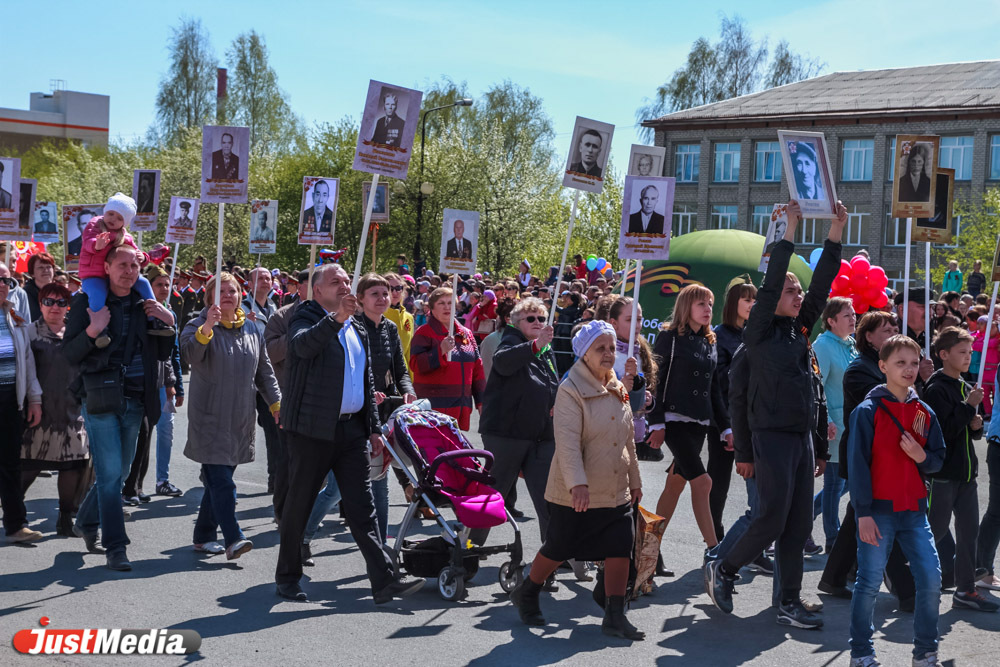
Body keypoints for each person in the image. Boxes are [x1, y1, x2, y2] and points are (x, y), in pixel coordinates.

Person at [705, 199, 847, 629]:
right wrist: (790, 230)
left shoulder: (799, 330)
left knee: (799, 522)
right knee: (770, 516)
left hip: (801, 437)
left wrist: (835, 231)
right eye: (790, 291)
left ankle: (787, 600)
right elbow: (769, 289)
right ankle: (724, 567)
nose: (798, 295)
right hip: (770, 436)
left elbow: (821, 287)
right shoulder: (760, 330)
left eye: (796, 291)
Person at [275, 263, 424, 603]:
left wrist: (372, 427)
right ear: (317, 291)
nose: (343, 285)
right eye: (335, 281)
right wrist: (335, 319)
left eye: (346, 280)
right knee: (299, 504)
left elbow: (365, 379)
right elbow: (301, 348)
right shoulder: (306, 316)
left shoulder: (356, 323)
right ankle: (287, 576)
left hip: (352, 430)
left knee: (362, 506)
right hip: (311, 430)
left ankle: (384, 580)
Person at [509, 320, 643, 640]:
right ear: (584, 354)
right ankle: (527, 591)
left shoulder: (618, 388)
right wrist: (577, 484)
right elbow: (566, 442)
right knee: (559, 548)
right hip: (575, 490)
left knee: (621, 546)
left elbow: (628, 441)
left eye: (612, 348)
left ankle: (613, 615)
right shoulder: (570, 390)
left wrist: (635, 480)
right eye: (601, 348)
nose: (609, 354)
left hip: (615, 489)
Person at [65, 245, 175, 570]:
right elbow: (68, 354)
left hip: (137, 398)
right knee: (111, 475)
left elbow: (164, 351)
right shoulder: (87, 302)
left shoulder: (147, 304)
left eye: (135, 265)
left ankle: (86, 521)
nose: (129, 271)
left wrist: (169, 320)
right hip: (99, 397)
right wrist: (93, 330)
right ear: (108, 267)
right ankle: (116, 546)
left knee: (121, 473)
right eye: (122, 265)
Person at [846, 334, 946, 667]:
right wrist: (862, 513)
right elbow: (857, 466)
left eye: (914, 363)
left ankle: (926, 652)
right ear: (883, 366)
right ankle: (861, 652)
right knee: (870, 583)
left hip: (915, 512)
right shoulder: (867, 411)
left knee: (931, 579)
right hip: (878, 511)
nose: (908, 369)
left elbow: (938, 458)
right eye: (900, 363)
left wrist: (922, 457)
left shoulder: (924, 411)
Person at [819, 311, 918, 608]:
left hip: (894, 453)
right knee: (883, 511)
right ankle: (907, 589)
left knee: (858, 515)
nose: (892, 333)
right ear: (869, 337)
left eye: (895, 328)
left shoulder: (897, 368)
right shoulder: (860, 370)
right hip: (868, 453)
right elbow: (882, 408)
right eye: (885, 330)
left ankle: (834, 577)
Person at [181, 272, 279, 560]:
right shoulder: (196, 325)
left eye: (233, 290)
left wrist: (276, 405)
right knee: (223, 482)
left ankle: (203, 535)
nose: (227, 295)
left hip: (240, 418)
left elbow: (265, 372)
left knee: (217, 482)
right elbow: (190, 355)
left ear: (240, 295)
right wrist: (208, 326)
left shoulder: (251, 329)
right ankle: (234, 537)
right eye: (220, 291)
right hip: (209, 417)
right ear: (208, 297)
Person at [472, 298, 558, 553]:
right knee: (493, 495)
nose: (537, 323)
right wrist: (535, 345)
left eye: (541, 318)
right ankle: (468, 548)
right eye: (531, 319)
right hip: (506, 433)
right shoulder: (510, 340)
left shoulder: (545, 347)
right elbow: (503, 363)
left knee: (549, 499)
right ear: (515, 322)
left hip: (541, 434)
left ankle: (553, 555)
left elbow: (551, 381)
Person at [924, 326, 999, 611]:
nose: (968, 357)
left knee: (969, 533)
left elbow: (967, 429)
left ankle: (965, 590)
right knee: (935, 530)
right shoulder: (936, 387)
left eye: (970, 352)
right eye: (962, 352)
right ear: (944, 354)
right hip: (944, 475)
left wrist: (976, 426)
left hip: (967, 475)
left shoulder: (964, 387)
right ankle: (911, 575)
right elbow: (943, 430)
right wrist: (969, 409)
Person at [649, 285, 727, 559]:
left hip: (700, 423)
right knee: (703, 482)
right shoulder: (669, 337)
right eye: (701, 304)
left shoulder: (710, 341)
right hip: (674, 421)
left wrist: (726, 426)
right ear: (686, 307)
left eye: (710, 303)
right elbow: (655, 380)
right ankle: (714, 551)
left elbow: (714, 388)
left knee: (675, 485)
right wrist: (656, 422)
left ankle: (648, 549)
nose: (707, 309)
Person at [20, 282, 91, 536]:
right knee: (29, 464)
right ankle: (14, 513)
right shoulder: (28, 332)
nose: (54, 307)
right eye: (48, 301)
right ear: (40, 304)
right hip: (40, 410)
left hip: (73, 410)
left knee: (73, 465)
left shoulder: (75, 333)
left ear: (67, 307)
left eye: (61, 302)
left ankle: (64, 520)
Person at [122, 266, 182, 504]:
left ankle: (145, 483)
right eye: (159, 285)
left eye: (168, 285)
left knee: (156, 431)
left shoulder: (168, 312)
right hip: (140, 381)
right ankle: (128, 486)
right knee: (138, 434)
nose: (164, 289)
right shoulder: (141, 308)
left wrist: (174, 384)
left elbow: (171, 353)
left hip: (160, 380)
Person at [77, 193, 167, 345]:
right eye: (111, 214)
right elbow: (88, 242)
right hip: (93, 274)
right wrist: (96, 245)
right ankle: (100, 329)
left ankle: (155, 319)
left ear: (124, 223)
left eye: (119, 218)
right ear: (105, 212)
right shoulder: (95, 225)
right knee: (97, 294)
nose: (113, 219)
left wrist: (143, 258)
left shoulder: (125, 236)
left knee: (144, 283)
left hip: (115, 276)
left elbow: (135, 253)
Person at [707, 279, 756, 542]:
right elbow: (721, 380)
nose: (752, 304)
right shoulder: (720, 334)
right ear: (733, 302)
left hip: (753, 418)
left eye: (754, 299)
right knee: (718, 483)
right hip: (726, 419)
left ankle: (755, 544)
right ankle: (714, 537)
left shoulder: (754, 332)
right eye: (747, 299)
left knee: (757, 487)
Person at [810, 297, 858, 553]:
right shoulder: (823, 346)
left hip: (853, 424)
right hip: (835, 426)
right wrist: (826, 420)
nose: (853, 318)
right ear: (831, 321)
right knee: (835, 484)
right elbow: (818, 386)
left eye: (853, 314)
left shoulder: (851, 344)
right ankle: (833, 537)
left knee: (849, 481)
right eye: (847, 315)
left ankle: (807, 517)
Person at [1, 270, 43, 543]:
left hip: (9, 399)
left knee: (10, 463)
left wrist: (34, 398)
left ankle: (16, 525)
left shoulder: (15, 318)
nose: (3, 285)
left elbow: (27, 361)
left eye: (7, 281)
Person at [409, 286, 486, 431]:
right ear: (432, 308)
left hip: (461, 406)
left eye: (450, 303)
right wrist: (440, 351)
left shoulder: (466, 334)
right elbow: (415, 365)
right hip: (433, 409)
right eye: (441, 303)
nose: (447, 307)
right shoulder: (424, 332)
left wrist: (481, 401)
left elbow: (477, 369)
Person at [242, 267, 281, 493]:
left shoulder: (275, 307)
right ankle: (214, 471)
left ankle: (274, 479)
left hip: (267, 377)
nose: (266, 281)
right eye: (260, 278)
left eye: (268, 277)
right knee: (238, 429)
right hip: (246, 378)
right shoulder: (242, 307)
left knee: (273, 431)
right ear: (249, 283)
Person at [384, 272, 415, 362]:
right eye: (390, 288)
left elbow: (409, 352)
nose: (394, 292)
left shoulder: (409, 317)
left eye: (398, 288)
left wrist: (411, 375)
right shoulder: (376, 315)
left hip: (403, 372)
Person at [23, 252, 57, 322]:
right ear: (32, 273)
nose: (46, 270)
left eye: (49, 267)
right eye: (40, 267)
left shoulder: (60, 292)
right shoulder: (25, 294)